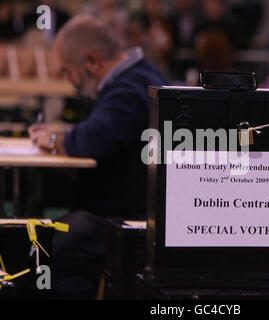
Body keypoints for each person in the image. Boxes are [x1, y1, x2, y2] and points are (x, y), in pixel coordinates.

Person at [28, 15, 169, 299]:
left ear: (91, 61)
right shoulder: (140, 75)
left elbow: (94, 140)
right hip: (125, 211)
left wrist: (58, 139)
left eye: (68, 71)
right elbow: (108, 131)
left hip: (124, 219)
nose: (69, 82)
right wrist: (64, 135)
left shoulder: (130, 89)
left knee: (39, 249)